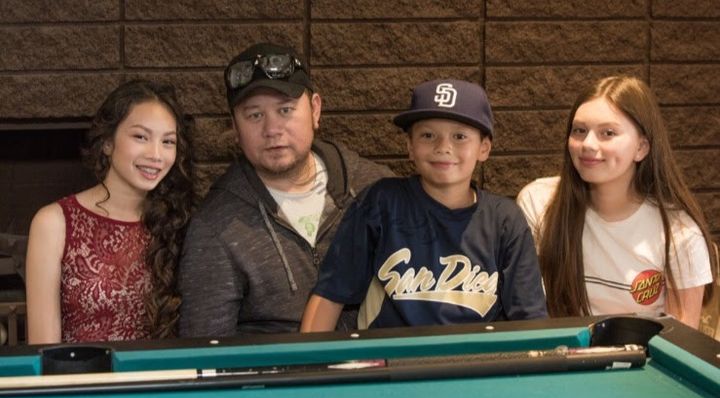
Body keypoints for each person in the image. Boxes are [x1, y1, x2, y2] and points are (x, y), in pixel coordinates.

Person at [177, 43, 393, 337]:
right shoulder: (215, 226)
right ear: (235, 128)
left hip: (377, 361)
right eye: (255, 115)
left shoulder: (375, 188)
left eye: (285, 110)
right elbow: (206, 351)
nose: (272, 130)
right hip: (275, 366)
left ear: (315, 109)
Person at [301, 79, 548, 332]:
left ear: (483, 148)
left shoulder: (504, 219)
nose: (443, 148)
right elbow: (330, 295)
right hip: (393, 354)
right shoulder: (382, 203)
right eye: (428, 135)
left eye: (460, 136)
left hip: (478, 356)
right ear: (410, 146)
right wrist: (308, 355)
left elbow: (530, 319)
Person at [516, 75, 715, 328]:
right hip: (557, 350)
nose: (588, 144)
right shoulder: (539, 201)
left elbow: (680, 338)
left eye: (607, 133)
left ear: (641, 147)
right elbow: (527, 315)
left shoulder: (680, 234)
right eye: (579, 131)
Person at [25, 80, 196, 343]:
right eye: (141, 137)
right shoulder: (53, 223)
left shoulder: (180, 221)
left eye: (168, 141)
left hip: (161, 369)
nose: (156, 155)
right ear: (107, 142)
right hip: (81, 370)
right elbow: (44, 349)